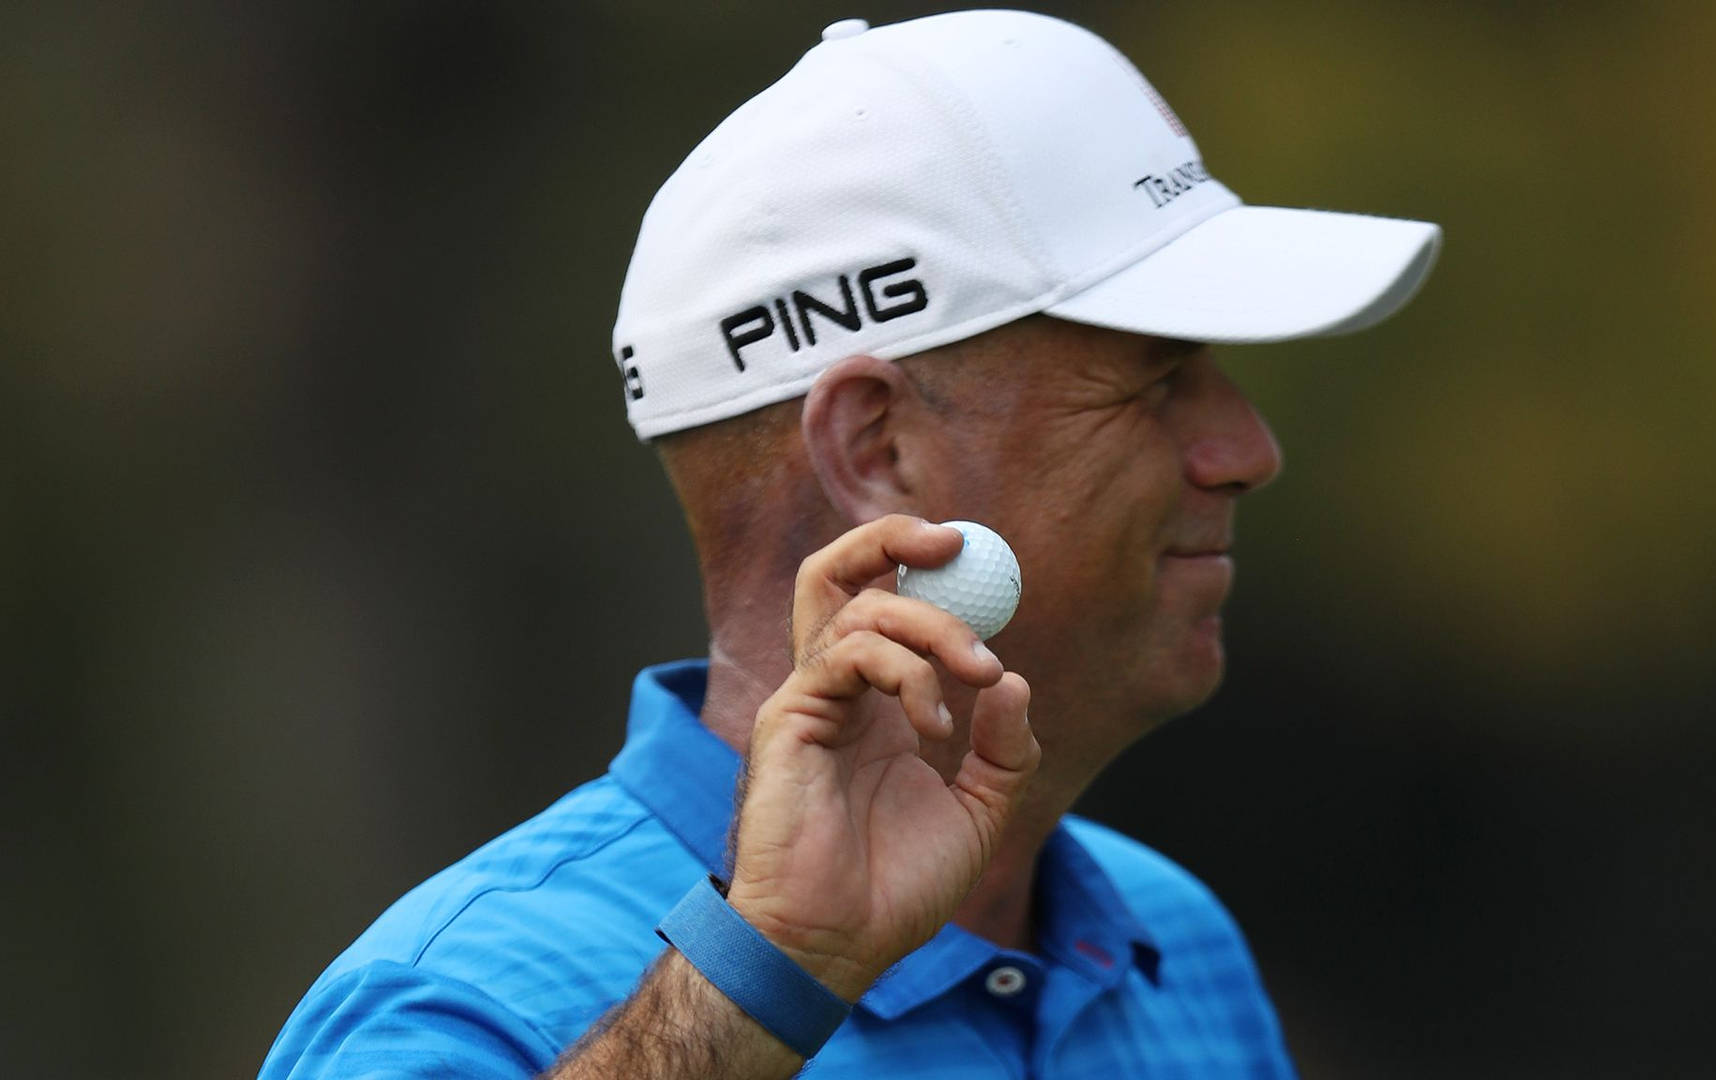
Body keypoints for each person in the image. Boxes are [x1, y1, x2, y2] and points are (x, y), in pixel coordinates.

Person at [260, 10, 1439, 1078]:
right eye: (1160, 381)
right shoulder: (464, 1001)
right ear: (877, 449)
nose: (1245, 446)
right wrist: (762, 979)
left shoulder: (1169, 939)